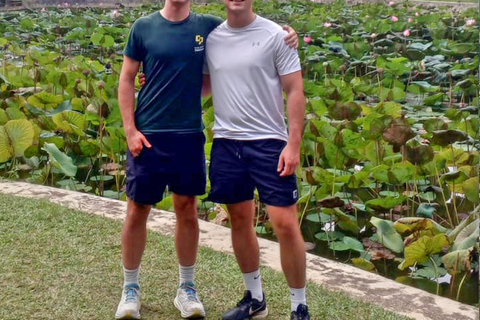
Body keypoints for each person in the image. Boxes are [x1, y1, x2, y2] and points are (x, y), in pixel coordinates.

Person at [116, 0, 298, 319]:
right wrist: (130, 130)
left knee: (186, 207)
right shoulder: (143, 28)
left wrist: (289, 32)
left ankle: (187, 288)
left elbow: (245, 26)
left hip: (189, 135)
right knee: (137, 208)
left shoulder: (207, 26)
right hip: (148, 134)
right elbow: (127, 79)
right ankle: (130, 288)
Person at [203, 0, 310, 319]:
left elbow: (295, 90)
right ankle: (255, 298)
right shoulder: (212, 38)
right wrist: (153, 83)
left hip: (269, 144)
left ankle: (299, 306)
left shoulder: (277, 35)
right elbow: (206, 86)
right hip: (226, 142)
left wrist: (294, 144)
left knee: (286, 224)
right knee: (239, 219)